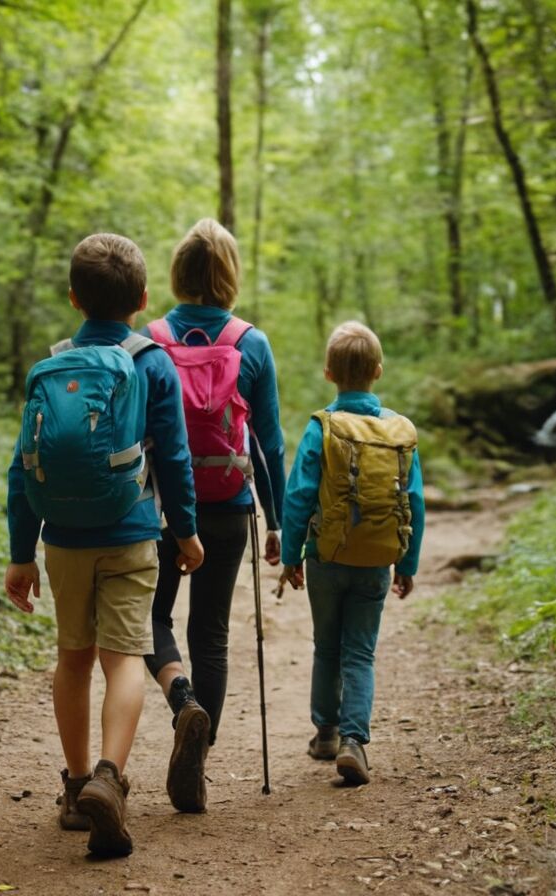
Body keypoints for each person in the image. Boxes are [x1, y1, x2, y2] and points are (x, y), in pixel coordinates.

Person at [5, 232, 205, 858]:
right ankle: (110, 779)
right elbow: (172, 456)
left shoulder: (53, 366)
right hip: (131, 533)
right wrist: (186, 529)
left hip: (63, 540)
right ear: (143, 299)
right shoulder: (152, 362)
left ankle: (73, 788)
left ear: (74, 299)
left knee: (73, 658)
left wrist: (20, 552)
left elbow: (22, 467)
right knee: (124, 658)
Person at [142, 218, 287, 813]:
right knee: (213, 634)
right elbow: (270, 443)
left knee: (148, 618)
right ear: (229, 275)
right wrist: (276, 522)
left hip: (157, 510)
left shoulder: (148, 339)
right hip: (228, 507)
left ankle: (183, 703)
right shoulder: (250, 341)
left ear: (178, 272)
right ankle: (195, 766)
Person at [279, 321, 425, 787]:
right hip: (376, 561)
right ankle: (354, 742)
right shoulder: (398, 433)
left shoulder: (322, 427)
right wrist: (407, 563)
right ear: (378, 371)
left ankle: (325, 732)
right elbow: (415, 501)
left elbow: (299, 495)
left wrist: (290, 555)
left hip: (326, 556)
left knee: (327, 646)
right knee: (359, 653)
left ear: (328, 373)